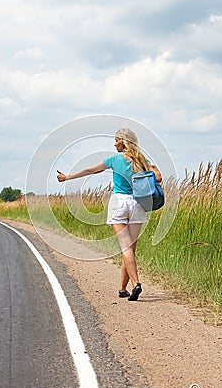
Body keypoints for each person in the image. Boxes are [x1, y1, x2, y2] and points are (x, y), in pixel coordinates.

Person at [57, 128, 162, 301]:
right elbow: (158, 177)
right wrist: (142, 175)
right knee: (130, 250)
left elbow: (90, 170)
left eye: (116, 140)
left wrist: (67, 177)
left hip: (119, 203)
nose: (114, 143)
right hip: (137, 203)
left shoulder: (114, 159)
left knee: (125, 248)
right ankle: (122, 289)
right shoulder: (142, 159)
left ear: (123, 141)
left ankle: (136, 284)